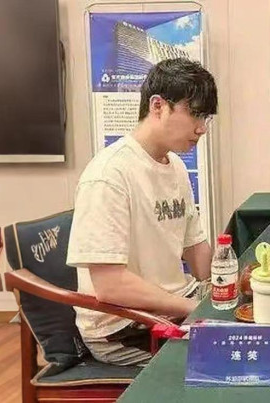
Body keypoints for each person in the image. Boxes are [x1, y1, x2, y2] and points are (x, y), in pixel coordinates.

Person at [66, 58, 218, 366]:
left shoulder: (175, 166)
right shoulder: (109, 175)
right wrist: (191, 308)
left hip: (173, 306)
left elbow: (195, 247)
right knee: (229, 362)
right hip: (123, 325)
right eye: (194, 113)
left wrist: (224, 284)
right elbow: (110, 286)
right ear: (158, 106)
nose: (201, 128)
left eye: (206, 117)